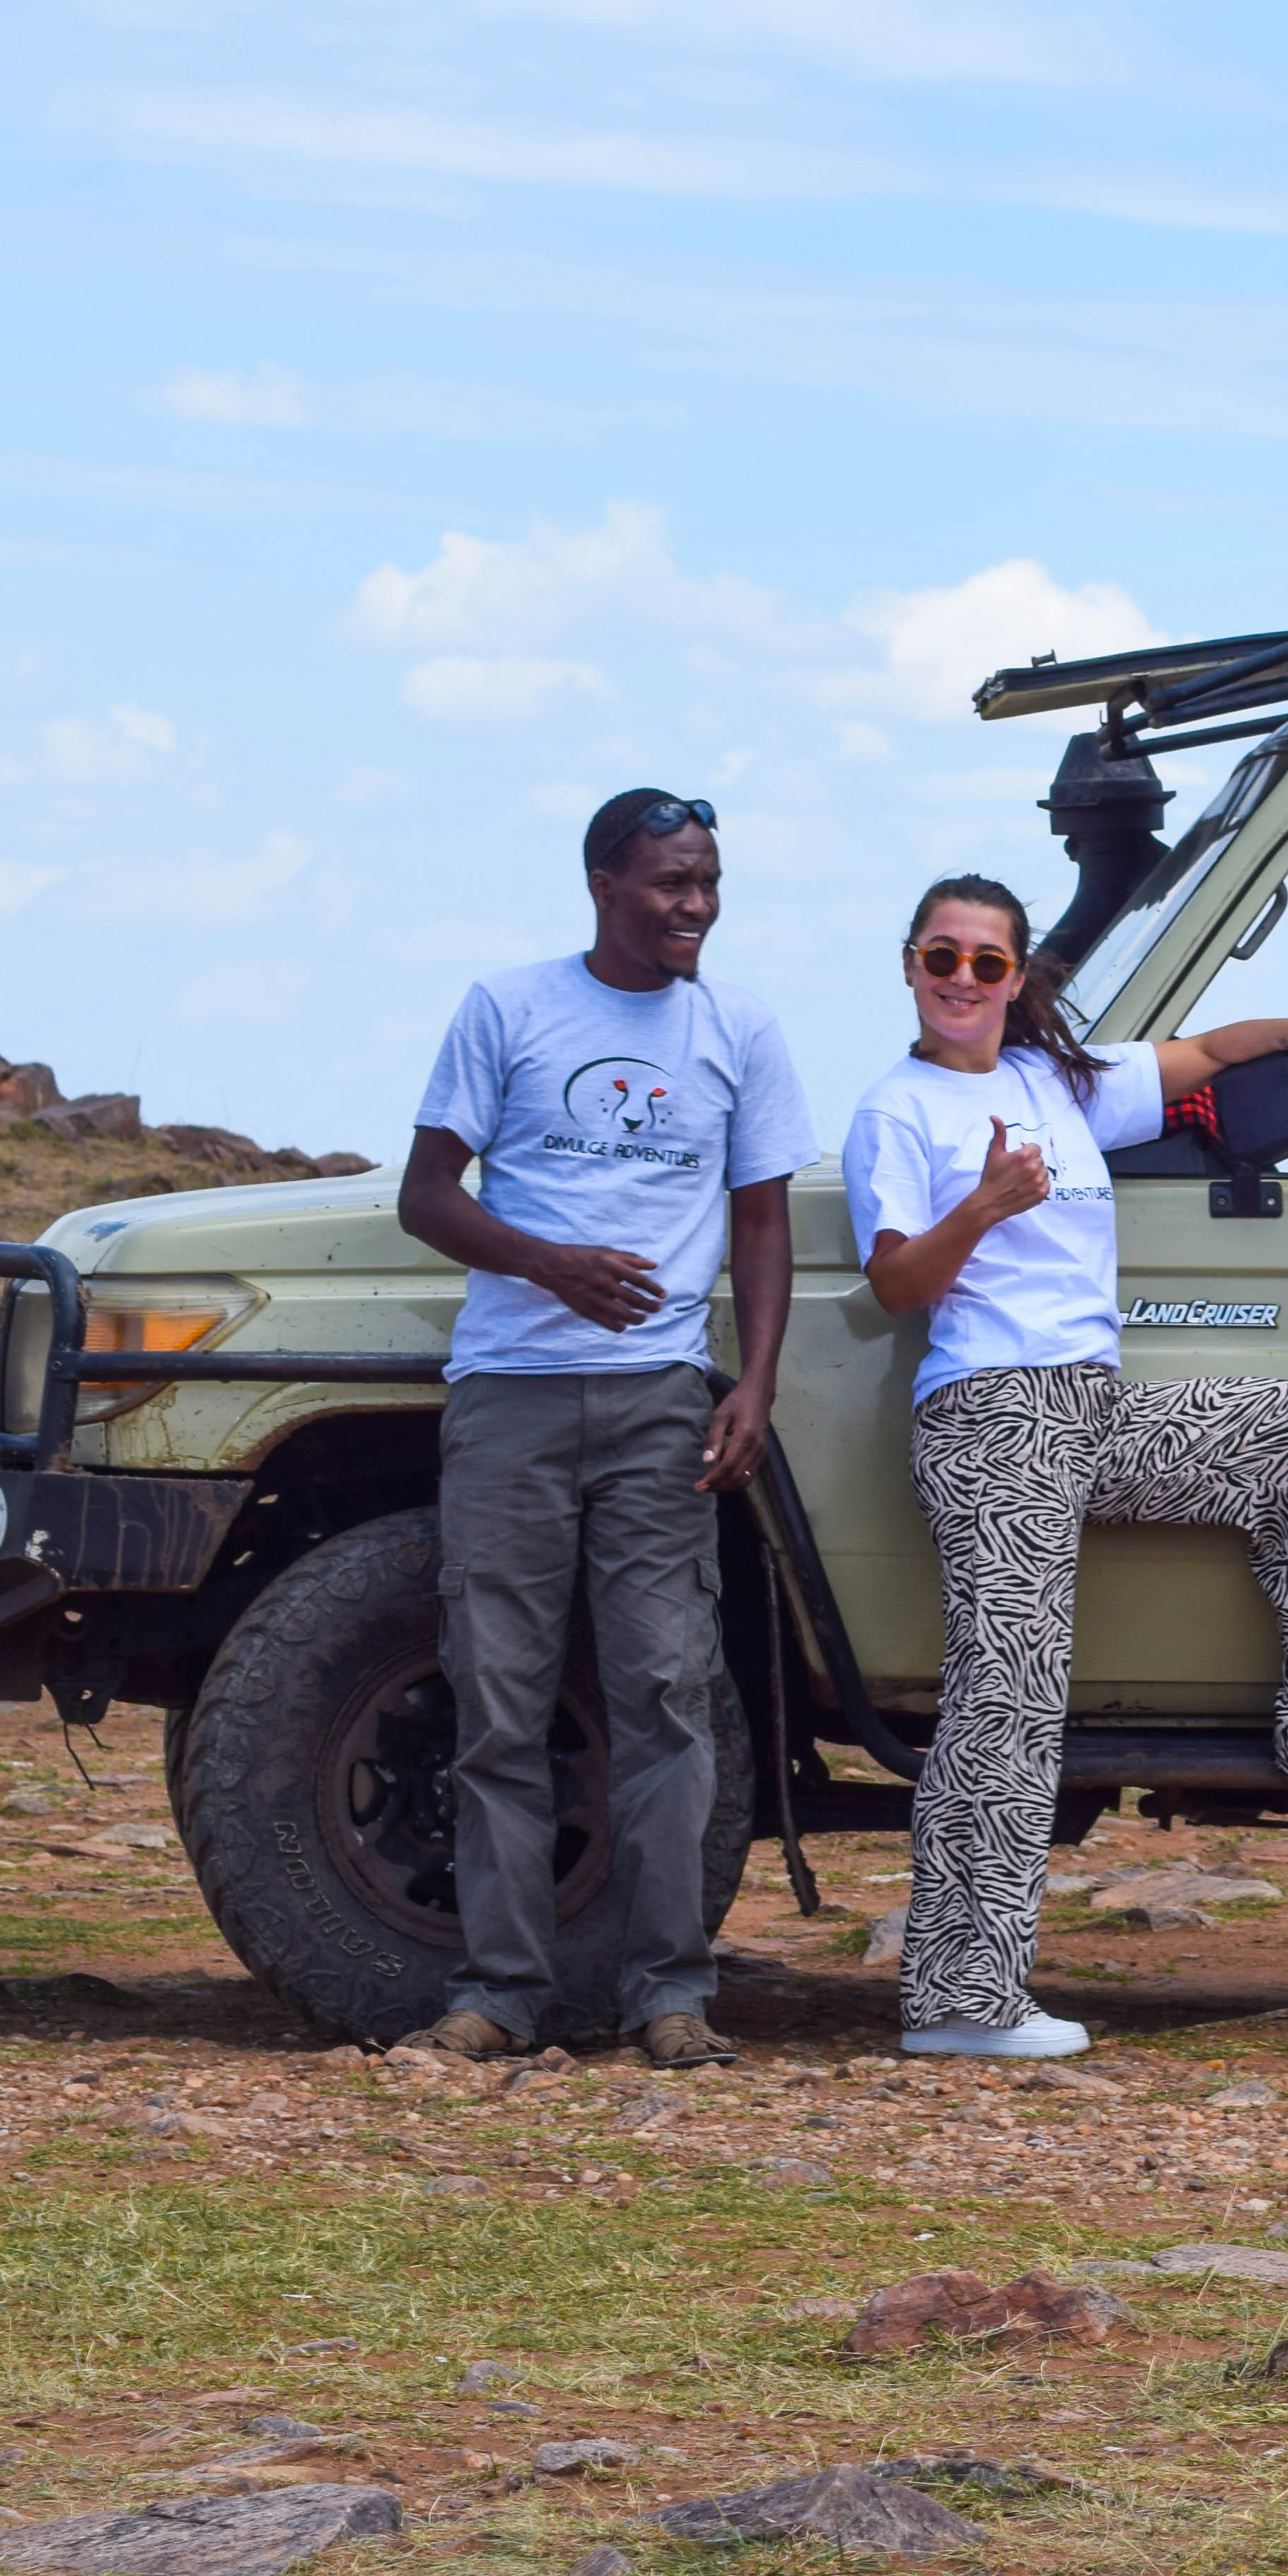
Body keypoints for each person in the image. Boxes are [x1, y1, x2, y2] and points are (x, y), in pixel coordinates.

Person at [846, 874, 1288, 2061]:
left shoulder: (1056, 1081)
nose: (962, 980)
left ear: (1019, 981)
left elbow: (1205, 1053)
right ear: (909, 965)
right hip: (990, 1415)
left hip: (1093, 1404)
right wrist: (987, 1205)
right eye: (941, 957)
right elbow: (898, 1286)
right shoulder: (895, 1110)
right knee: (1008, 1696)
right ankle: (964, 2003)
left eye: (987, 963)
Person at [396, 788, 811, 2068]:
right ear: (603, 886)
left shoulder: (739, 1025)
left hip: (659, 1407)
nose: (694, 905)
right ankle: (497, 1996)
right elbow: (425, 1196)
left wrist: (753, 1384)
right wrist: (547, 1265)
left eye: (708, 882)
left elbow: (760, 1221)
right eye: (670, 884)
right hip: (513, 1395)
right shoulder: (508, 1007)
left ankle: (669, 1996)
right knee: (502, 1703)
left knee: (667, 1697)